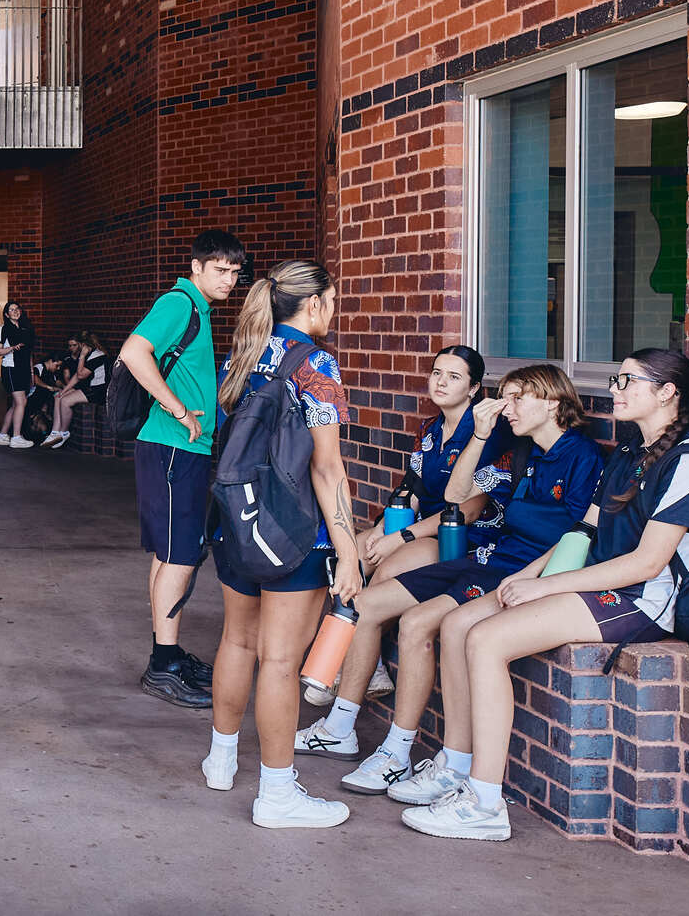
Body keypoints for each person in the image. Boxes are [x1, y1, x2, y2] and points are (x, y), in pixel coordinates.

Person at [401, 349, 689, 841]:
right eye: (615, 379)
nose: (615, 389)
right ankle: (457, 766)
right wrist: (523, 576)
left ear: (666, 392)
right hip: (592, 578)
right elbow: (582, 530)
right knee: (459, 622)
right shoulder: (630, 453)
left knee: (486, 640)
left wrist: (545, 585)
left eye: (628, 381)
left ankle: (485, 803)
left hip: (643, 599)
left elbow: (647, 564)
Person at [327, 365, 600, 798]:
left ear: (552, 402)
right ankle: (342, 726)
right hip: (485, 558)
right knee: (366, 604)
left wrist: (535, 580)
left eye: (517, 398)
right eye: (503, 397)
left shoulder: (582, 456)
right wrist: (478, 434)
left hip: (518, 573)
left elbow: (581, 533)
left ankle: (400, 753)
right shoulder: (521, 453)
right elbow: (456, 496)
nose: (506, 408)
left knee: (418, 623)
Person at [199, 258, 365, 829]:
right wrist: (348, 549)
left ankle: (221, 760)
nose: (334, 310)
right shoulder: (316, 363)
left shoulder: (245, 353)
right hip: (293, 533)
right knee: (280, 660)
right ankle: (276, 794)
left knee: (237, 642)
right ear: (314, 304)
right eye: (334, 300)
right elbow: (327, 469)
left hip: (235, 524)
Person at [299, 345, 511, 714]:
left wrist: (403, 536)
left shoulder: (489, 433)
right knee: (346, 554)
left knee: (387, 567)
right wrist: (383, 529)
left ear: (475, 388)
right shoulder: (430, 429)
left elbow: (470, 509)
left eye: (454, 376)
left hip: (461, 537)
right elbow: (411, 489)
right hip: (419, 524)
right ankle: (372, 663)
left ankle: (341, 665)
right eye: (437, 373)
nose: (441, 382)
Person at [121, 230, 245, 708]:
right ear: (196, 267)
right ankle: (163, 665)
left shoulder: (199, 306)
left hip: (177, 451)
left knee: (169, 553)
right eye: (220, 270)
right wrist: (179, 410)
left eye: (235, 272)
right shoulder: (181, 302)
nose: (229, 280)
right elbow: (135, 353)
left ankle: (166, 654)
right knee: (180, 556)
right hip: (173, 447)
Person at [42, 331, 108, 448]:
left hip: (98, 391)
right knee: (59, 396)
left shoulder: (97, 355)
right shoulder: (88, 355)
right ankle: (55, 432)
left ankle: (64, 432)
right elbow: (76, 377)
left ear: (84, 345)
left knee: (66, 401)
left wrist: (82, 357)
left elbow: (81, 375)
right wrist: (65, 390)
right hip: (89, 388)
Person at [0, 302, 38, 449]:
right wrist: (12, 348)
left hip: (24, 369)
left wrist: (32, 373)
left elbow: (29, 353)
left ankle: (2, 435)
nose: (15, 311)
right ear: (6, 314)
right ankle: (17, 437)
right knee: (21, 402)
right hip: (11, 368)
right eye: (11, 310)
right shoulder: (3, 329)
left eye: (17, 309)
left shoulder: (26, 329)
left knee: (16, 403)